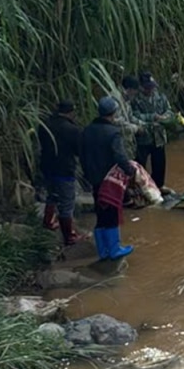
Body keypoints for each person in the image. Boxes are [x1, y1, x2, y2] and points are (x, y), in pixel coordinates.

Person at [80, 96, 135, 260]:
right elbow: (119, 155)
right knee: (112, 211)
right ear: (113, 113)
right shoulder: (113, 132)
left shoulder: (86, 130)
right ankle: (114, 249)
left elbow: (82, 155)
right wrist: (130, 170)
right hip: (109, 180)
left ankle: (102, 251)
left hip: (93, 178)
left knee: (100, 211)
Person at [36, 99, 89, 246]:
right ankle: (69, 236)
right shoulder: (72, 130)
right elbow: (79, 151)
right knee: (67, 202)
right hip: (64, 169)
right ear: (71, 113)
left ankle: (48, 221)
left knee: (51, 194)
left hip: (46, 167)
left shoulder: (45, 124)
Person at [130, 71, 173, 190]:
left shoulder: (160, 97)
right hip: (143, 137)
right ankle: (141, 188)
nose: (150, 90)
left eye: (152, 87)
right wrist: (152, 117)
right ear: (141, 86)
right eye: (147, 88)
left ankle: (159, 186)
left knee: (159, 164)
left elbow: (169, 110)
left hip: (158, 136)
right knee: (140, 165)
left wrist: (165, 117)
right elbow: (134, 116)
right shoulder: (135, 100)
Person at [115, 75, 142, 157]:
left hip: (127, 141)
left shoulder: (126, 99)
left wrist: (143, 124)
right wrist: (136, 128)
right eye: (135, 91)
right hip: (117, 141)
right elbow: (116, 121)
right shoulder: (115, 99)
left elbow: (130, 117)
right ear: (130, 89)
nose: (135, 94)